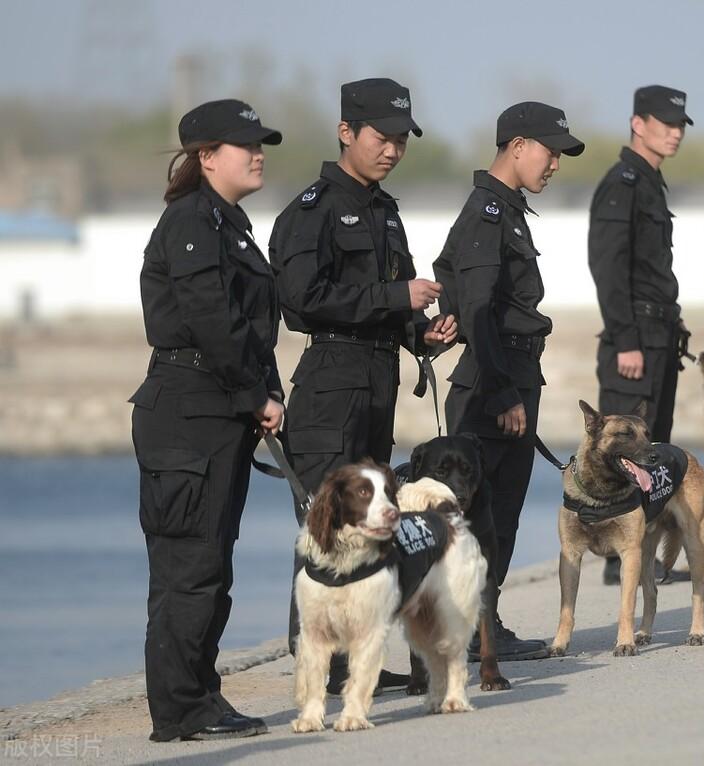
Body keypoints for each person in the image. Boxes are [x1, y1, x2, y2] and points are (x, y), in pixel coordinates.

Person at [269, 78, 456, 694]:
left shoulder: (386, 211)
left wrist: (421, 331)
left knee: (374, 521)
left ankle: (362, 661)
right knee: (323, 527)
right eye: (382, 137)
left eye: (401, 140)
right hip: (329, 381)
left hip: (379, 376)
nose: (392, 151)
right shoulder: (311, 210)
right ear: (347, 132)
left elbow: (391, 302)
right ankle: (318, 667)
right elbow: (300, 301)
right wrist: (392, 297)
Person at [131, 99, 284, 741]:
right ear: (206, 156)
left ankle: (201, 693)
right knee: (188, 570)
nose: (258, 153)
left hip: (218, 412)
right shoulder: (192, 222)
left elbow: (253, 328)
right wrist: (255, 394)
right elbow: (210, 324)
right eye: (244, 144)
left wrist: (264, 394)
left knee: (212, 568)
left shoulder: (229, 222)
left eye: (261, 143)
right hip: (188, 411)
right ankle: (179, 711)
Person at [433, 102, 584, 659]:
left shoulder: (508, 211)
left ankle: (482, 623)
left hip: (514, 371)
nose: (554, 164)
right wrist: (500, 391)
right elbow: (476, 308)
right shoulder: (488, 213)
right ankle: (472, 627)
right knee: (480, 512)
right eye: (550, 152)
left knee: (504, 511)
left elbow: (452, 278)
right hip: (493, 381)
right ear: (517, 146)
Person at [589, 84, 691, 584]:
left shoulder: (650, 181)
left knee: (653, 447)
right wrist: (625, 336)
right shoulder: (623, 182)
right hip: (634, 340)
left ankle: (639, 549)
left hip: (659, 334)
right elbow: (609, 267)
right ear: (638, 124)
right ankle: (616, 556)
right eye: (665, 123)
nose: (674, 133)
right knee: (623, 451)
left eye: (679, 126)